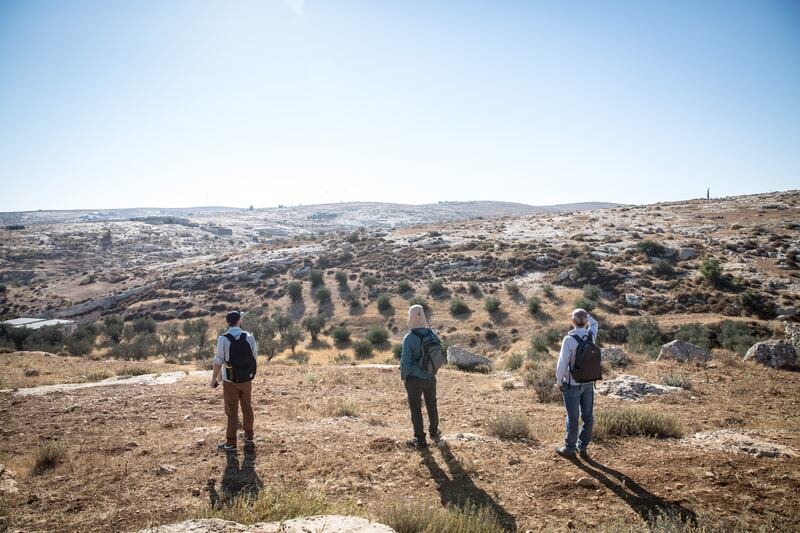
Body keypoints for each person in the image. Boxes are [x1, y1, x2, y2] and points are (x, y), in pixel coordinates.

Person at [211, 310, 258, 452]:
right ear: (239, 321)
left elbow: (218, 360)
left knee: (232, 411)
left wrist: (215, 378)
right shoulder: (249, 337)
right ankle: (249, 435)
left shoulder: (223, 339)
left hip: (230, 380)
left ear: (228, 322)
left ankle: (231, 443)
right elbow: (254, 358)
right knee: (247, 407)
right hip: (246, 379)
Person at [555, 308, 599, 458]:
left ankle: (570, 448)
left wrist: (559, 381)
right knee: (588, 416)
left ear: (572, 322)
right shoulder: (591, 335)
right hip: (589, 383)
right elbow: (595, 323)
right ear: (586, 321)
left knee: (573, 417)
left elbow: (562, 363)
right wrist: (586, 315)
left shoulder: (569, 340)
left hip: (572, 384)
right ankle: (584, 447)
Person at [400, 304, 442, 449]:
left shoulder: (409, 338)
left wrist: (404, 377)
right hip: (431, 377)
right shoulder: (432, 334)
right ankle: (435, 432)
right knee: (432, 405)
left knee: (416, 409)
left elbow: (405, 361)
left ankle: (420, 440)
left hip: (414, 380)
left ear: (410, 317)